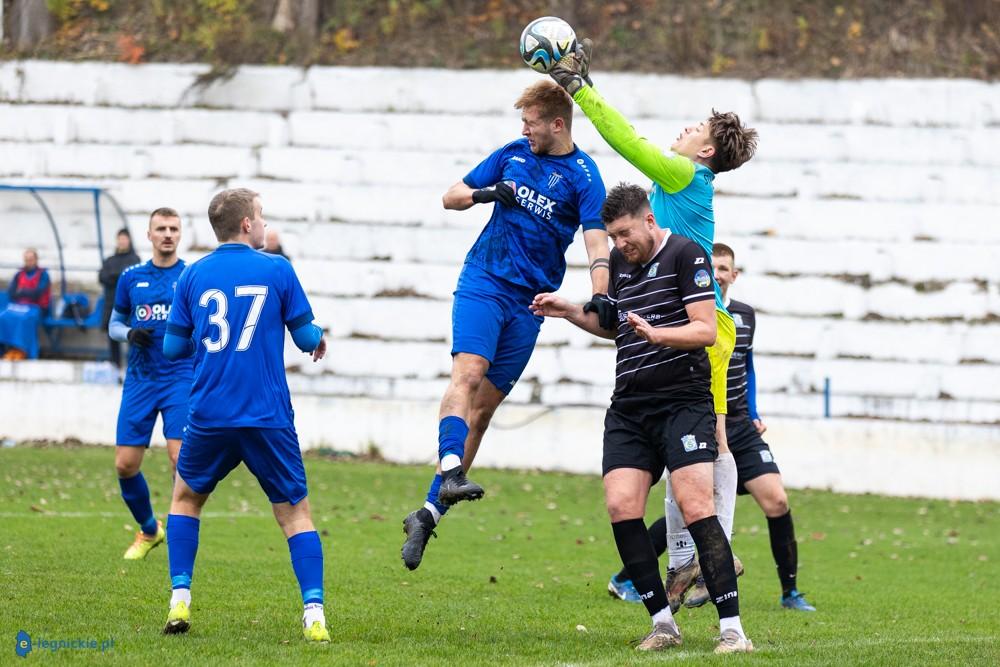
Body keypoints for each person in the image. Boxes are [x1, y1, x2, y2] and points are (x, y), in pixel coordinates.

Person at [549, 42, 759, 600]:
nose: (683, 130)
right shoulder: (681, 187)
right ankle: (695, 558)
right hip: (695, 321)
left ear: (706, 148)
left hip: (703, 324)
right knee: (689, 443)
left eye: (693, 127)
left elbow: (628, 142)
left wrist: (580, 90)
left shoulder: (686, 175)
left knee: (706, 439)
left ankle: (710, 555)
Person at [530, 184, 752, 653]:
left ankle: (733, 630)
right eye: (611, 236)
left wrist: (657, 334)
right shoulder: (621, 266)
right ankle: (663, 624)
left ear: (648, 220)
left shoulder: (686, 254)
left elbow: (706, 330)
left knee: (697, 508)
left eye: (625, 233)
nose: (619, 244)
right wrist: (569, 310)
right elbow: (613, 328)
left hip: (682, 403)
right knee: (621, 505)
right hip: (631, 406)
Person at [399, 79, 610, 571]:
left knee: (484, 409)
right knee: (467, 375)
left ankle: (427, 514)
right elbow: (450, 196)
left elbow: (597, 243)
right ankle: (451, 468)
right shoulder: (512, 153)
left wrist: (600, 292)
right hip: (484, 281)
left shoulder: (583, 176)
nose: (524, 130)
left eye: (531, 122)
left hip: (530, 303)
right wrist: (489, 193)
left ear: (557, 124)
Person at [161, 188, 330, 642]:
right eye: (262, 216)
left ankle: (180, 597)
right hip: (266, 415)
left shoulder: (192, 276)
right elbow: (305, 336)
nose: (265, 223)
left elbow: (172, 347)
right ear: (247, 224)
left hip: (210, 413)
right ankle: (314, 614)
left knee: (185, 500)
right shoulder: (277, 268)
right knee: (295, 514)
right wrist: (319, 337)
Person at [609, 244, 816, 613]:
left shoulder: (744, 316)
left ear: (734, 275)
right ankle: (641, 574)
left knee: (776, 499)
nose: (718, 274)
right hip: (704, 418)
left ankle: (790, 591)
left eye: (725, 268)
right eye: (714, 267)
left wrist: (753, 410)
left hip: (740, 424)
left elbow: (747, 366)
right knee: (695, 505)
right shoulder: (688, 312)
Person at [108, 209, 191, 561]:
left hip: (180, 378)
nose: (168, 234)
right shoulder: (131, 277)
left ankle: (179, 529)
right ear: (149, 234)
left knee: (180, 460)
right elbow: (113, 324)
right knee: (125, 465)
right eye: (161, 228)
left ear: (180, 234)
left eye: (174, 228)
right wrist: (129, 333)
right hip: (140, 380)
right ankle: (149, 528)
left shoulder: (191, 276)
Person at [99, 228, 141, 368]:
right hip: (111, 303)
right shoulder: (109, 260)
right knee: (113, 336)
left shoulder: (135, 259)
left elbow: (130, 278)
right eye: (120, 239)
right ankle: (115, 366)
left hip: (130, 305)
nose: (122, 241)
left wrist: (114, 276)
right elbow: (102, 277)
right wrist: (118, 276)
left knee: (131, 336)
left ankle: (132, 367)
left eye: (124, 238)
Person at [0, 248, 52, 360]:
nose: (29, 262)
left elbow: (38, 294)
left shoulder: (43, 275)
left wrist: (22, 291)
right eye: (26, 259)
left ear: (36, 260)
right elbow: (12, 293)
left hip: (37, 307)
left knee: (24, 319)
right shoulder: (19, 274)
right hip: (19, 306)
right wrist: (26, 292)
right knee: (3, 317)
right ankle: (6, 349)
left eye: (31, 259)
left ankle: (24, 349)